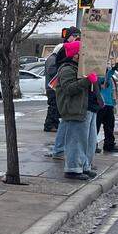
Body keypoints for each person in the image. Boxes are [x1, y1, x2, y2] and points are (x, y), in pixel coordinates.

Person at [54, 39, 97, 181]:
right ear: (75, 55)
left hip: (87, 108)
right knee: (76, 141)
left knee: (88, 142)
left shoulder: (80, 69)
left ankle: (84, 166)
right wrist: (87, 81)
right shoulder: (67, 69)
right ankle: (73, 169)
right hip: (75, 109)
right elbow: (68, 89)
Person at [44, 27, 80, 158]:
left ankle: (54, 130)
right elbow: (54, 73)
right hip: (54, 89)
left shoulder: (61, 64)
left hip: (57, 88)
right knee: (54, 108)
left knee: (60, 116)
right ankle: (50, 125)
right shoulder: (57, 62)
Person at [97, 62, 118, 153]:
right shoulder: (100, 76)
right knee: (96, 127)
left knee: (109, 126)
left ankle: (109, 144)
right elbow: (104, 82)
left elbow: (112, 90)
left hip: (109, 104)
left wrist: (114, 103)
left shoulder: (110, 77)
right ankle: (93, 145)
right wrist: (112, 70)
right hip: (100, 104)